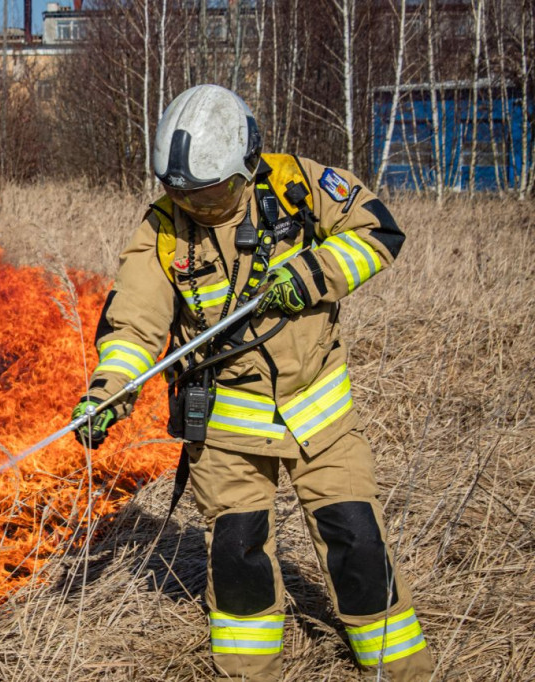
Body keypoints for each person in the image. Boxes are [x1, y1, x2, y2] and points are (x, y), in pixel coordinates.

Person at [70, 85, 434, 681]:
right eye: (180, 191)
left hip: (320, 414)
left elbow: (378, 231)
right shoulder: (163, 229)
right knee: (237, 555)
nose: (196, 203)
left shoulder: (298, 186)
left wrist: (313, 272)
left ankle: (400, 671)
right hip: (226, 429)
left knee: (356, 539)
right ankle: (248, 672)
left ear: (246, 168)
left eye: (210, 191)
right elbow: (133, 322)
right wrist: (111, 387)